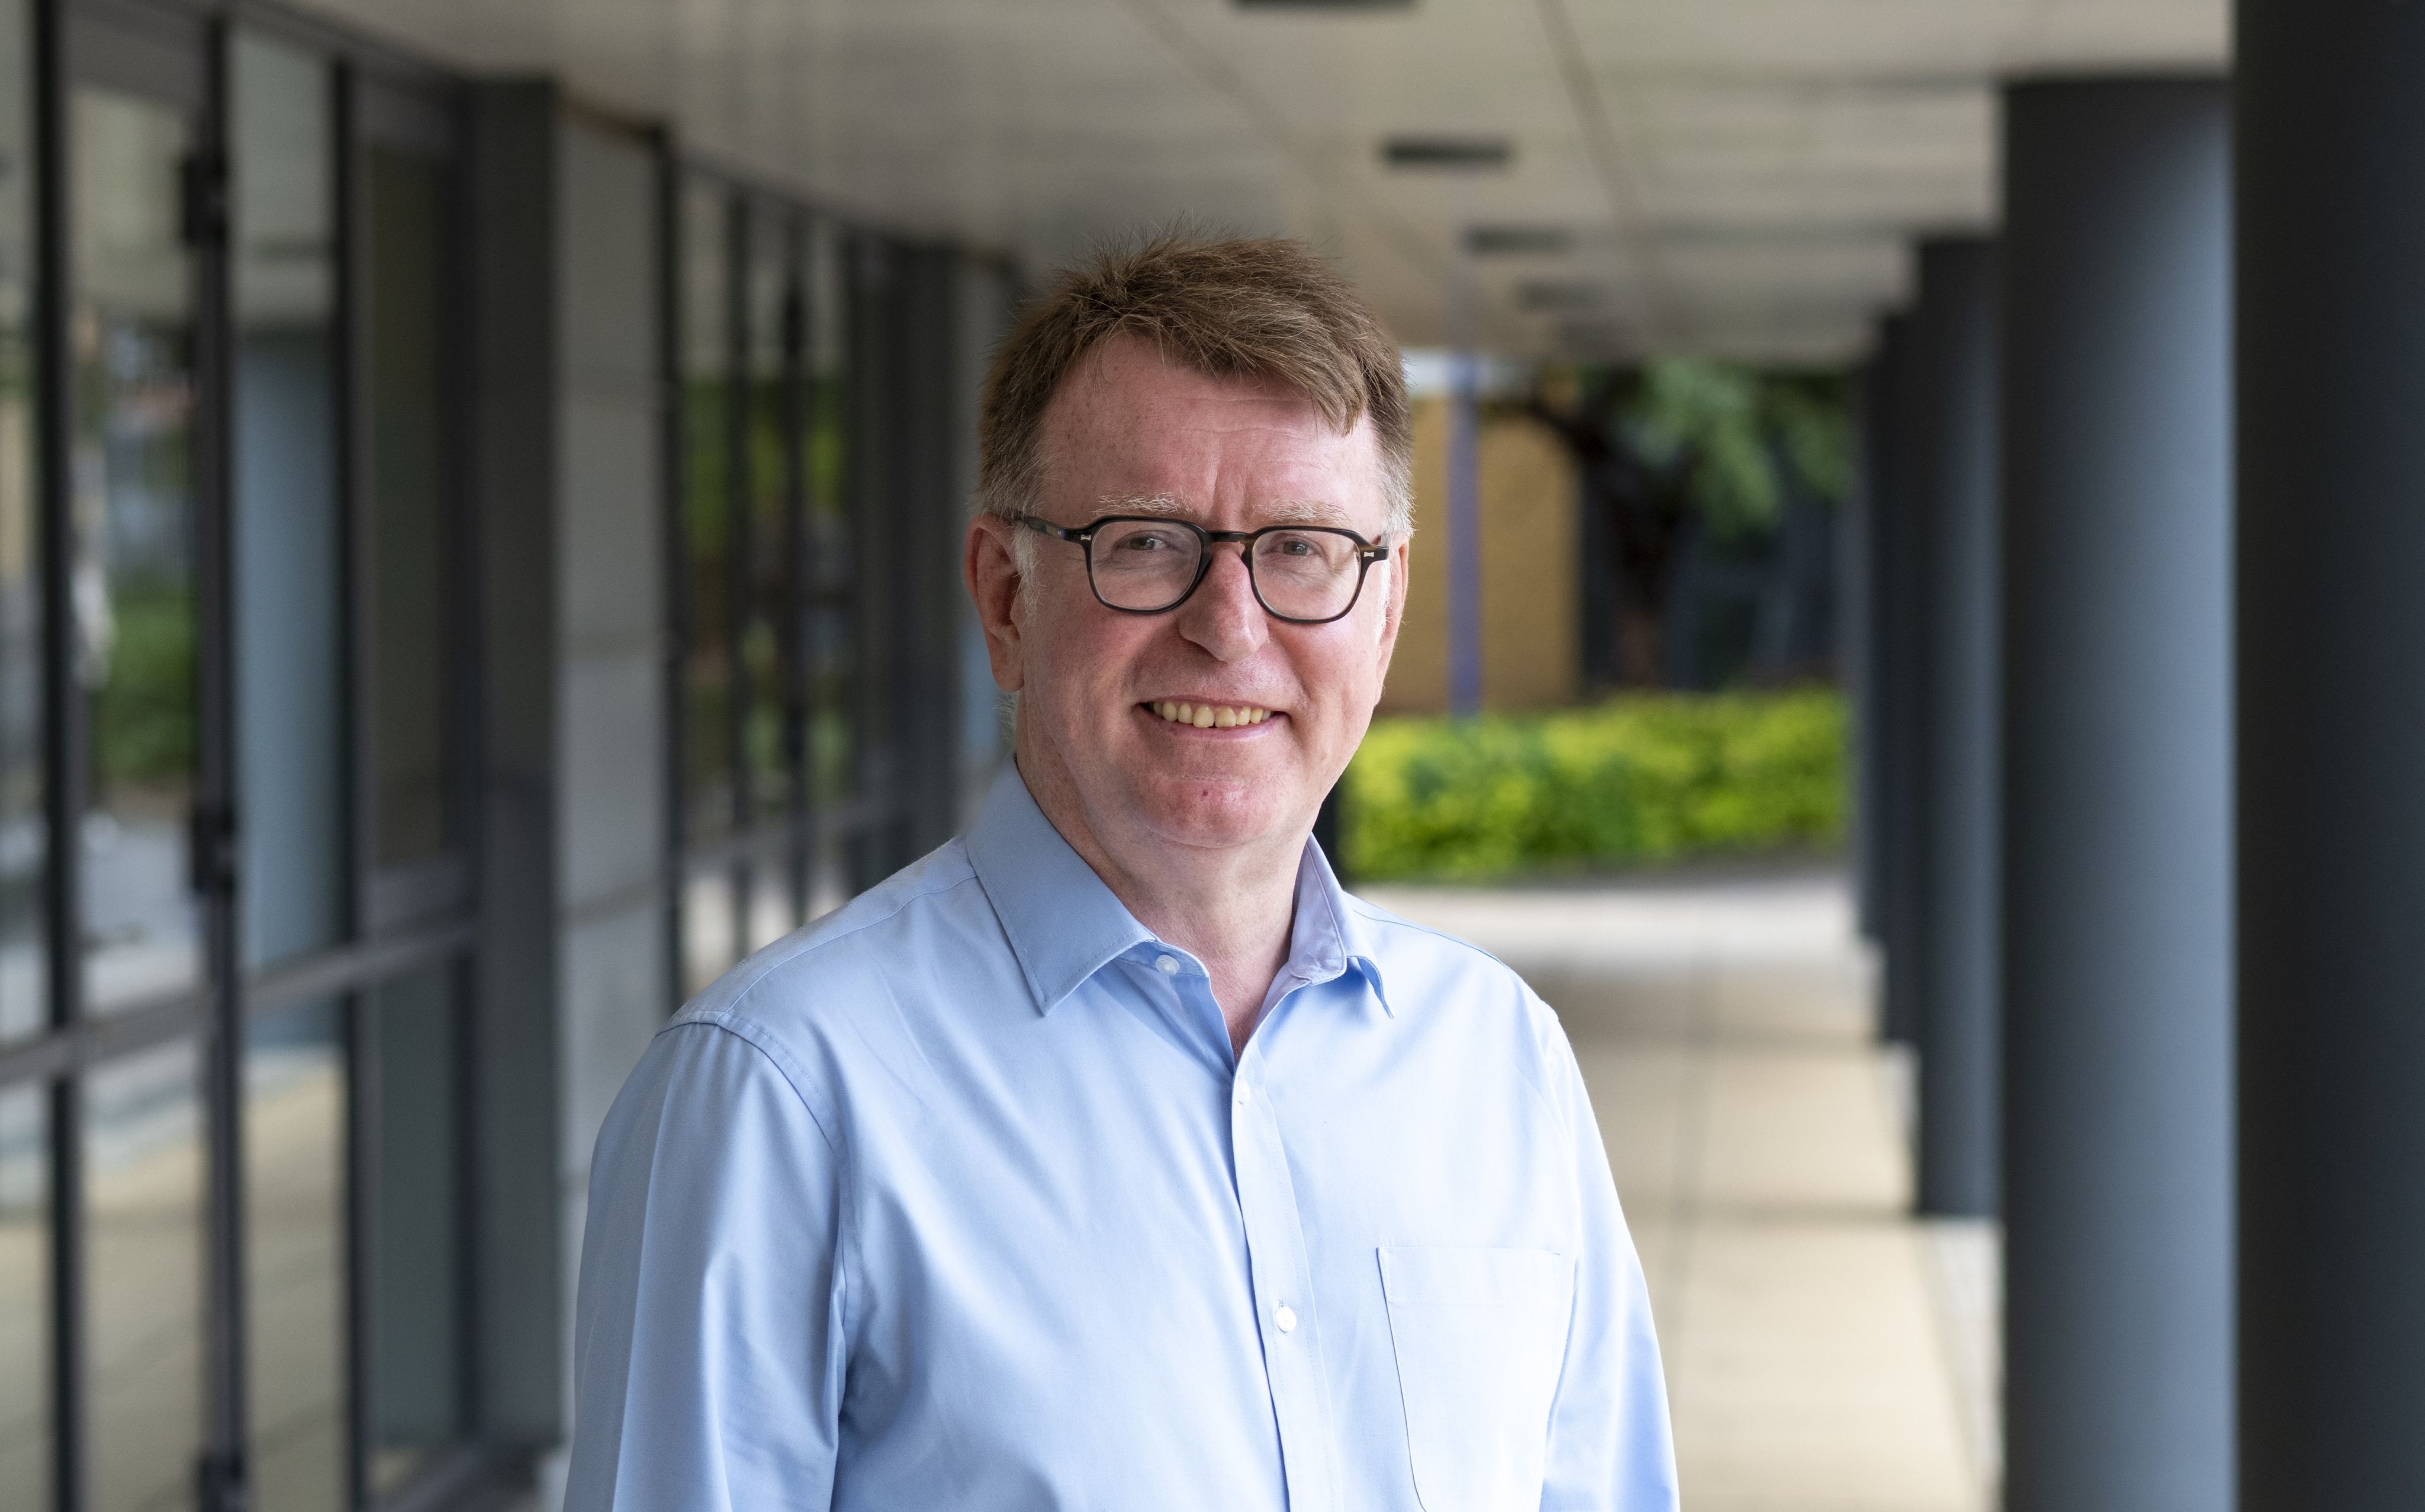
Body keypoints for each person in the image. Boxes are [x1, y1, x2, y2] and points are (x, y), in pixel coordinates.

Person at [567, 234, 1678, 1511]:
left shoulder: (1498, 1060)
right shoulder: (780, 1095)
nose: (1229, 625)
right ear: (1003, 596)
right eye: (1147, 542)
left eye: (1303, 547)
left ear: (1384, 608)